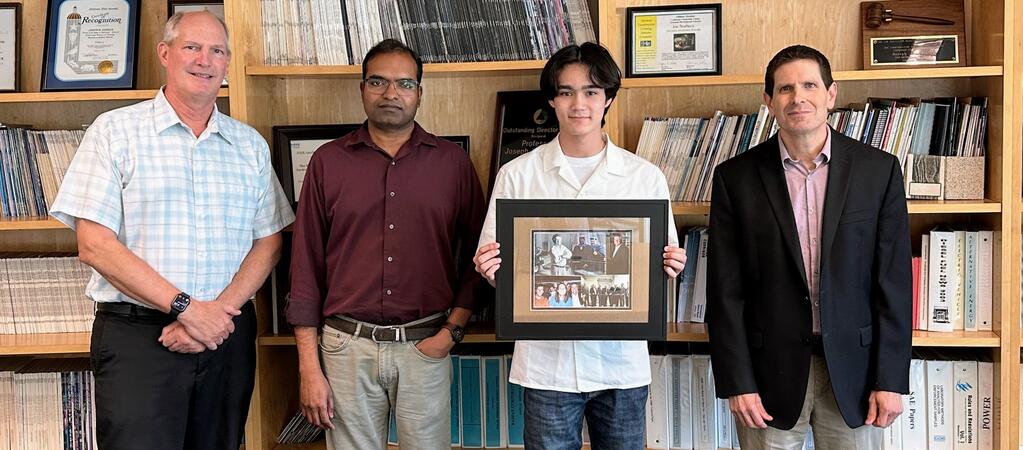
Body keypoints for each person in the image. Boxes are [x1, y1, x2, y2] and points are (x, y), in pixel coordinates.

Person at [49, 11, 294, 450]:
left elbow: (269, 241)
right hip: (138, 338)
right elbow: (94, 245)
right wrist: (186, 308)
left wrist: (214, 314)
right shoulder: (115, 132)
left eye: (217, 51)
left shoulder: (249, 145)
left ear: (226, 64)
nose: (205, 60)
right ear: (165, 54)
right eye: (192, 47)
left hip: (226, 333)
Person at [473, 42, 686, 450]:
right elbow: (496, 263)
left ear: (607, 98)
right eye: (566, 92)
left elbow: (661, 261)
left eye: (591, 92)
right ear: (551, 99)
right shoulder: (517, 175)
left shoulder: (644, 177)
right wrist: (490, 267)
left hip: (621, 363)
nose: (579, 104)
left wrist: (671, 265)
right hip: (546, 366)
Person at [705, 45, 912, 450]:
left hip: (857, 377)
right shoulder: (736, 178)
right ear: (768, 102)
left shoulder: (879, 170)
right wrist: (737, 382)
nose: (797, 97)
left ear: (831, 94)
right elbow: (725, 293)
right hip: (766, 380)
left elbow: (894, 284)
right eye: (784, 89)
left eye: (809, 85)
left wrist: (890, 379)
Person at [286, 39, 486, 450]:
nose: (391, 93)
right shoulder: (327, 162)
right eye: (378, 81)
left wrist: (453, 331)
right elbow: (304, 265)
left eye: (404, 83)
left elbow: (480, 256)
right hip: (344, 348)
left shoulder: (452, 164)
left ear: (419, 93)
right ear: (362, 88)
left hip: (425, 344)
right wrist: (309, 365)